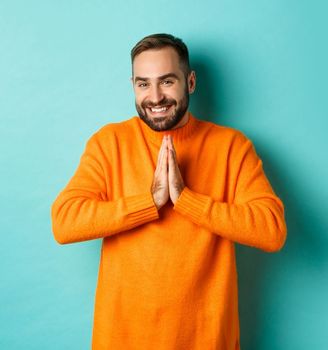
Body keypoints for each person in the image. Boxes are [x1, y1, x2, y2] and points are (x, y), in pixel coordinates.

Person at [50, 33, 287, 349]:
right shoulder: (109, 144)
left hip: (207, 340)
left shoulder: (231, 147)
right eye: (143, 84)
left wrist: (186, 200)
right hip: (123, 341)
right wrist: (149, 201)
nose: (155, 96)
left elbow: (272, 231)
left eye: (167, 81)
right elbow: (64, 223)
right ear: (133, 85)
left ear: (190, 82)